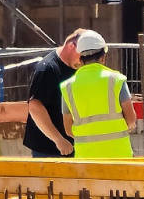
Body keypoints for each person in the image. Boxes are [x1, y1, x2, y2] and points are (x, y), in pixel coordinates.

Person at [60, 30, 137, 158]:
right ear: (103, 57)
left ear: (80, 58)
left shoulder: (67, 87)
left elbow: (68, 129)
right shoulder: (116, 80)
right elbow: (131, 120)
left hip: (86, 158)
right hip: (119, 155)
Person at [24, 29, 85, 158]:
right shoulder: (47, 68)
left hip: (73, 146)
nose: (83, 59)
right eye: (82, 54)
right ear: (71, 46)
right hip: (49, 149)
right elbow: (35, 106)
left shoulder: (76, 67)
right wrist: (59, 140)